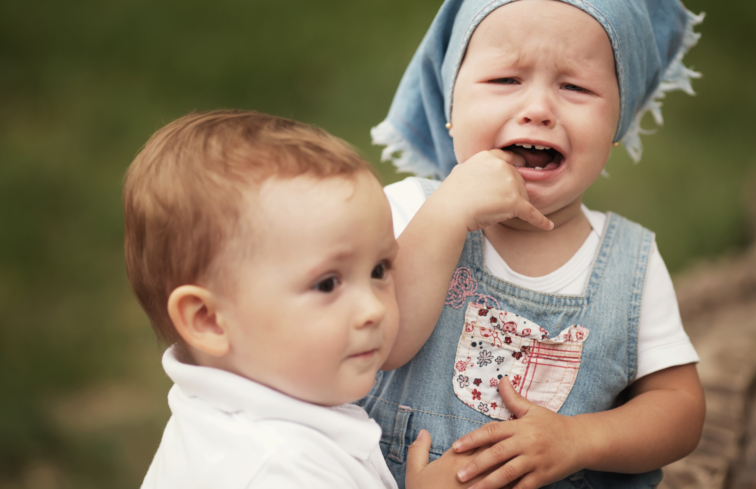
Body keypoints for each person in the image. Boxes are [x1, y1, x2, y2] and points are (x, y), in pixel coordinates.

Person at [357, 1, 707, 488]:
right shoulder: (405, 211)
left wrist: (579, 439)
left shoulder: (632, 264)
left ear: (618, 126)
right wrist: (447, 213)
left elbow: (680, 408)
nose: (538, 109)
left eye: (575, 87)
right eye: (505, 79)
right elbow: (379, 344)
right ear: (450, 106)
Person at [125, 110, 488, 488]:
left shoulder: (233, 419)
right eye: (327, 284)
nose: (373, 309)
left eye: (379, 270)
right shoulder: (281, 469)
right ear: (209, 320)